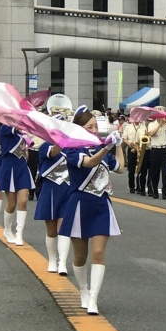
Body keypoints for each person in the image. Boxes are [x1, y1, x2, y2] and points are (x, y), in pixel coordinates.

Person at [60, 108, 124, 315]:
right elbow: (89, 162)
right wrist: (105, 148)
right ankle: (84, 291)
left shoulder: (99, 146)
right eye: (90, 127)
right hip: (79, 204)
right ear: (78, 129)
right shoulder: (72, 149)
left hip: (101, 205)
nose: (95, 130)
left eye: (96, 126)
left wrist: (118, 145)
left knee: (98, 252)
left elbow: (120, 168)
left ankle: (94, 299)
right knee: (80, 257)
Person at [34, 131, 72, 275]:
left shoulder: (71, 148)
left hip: (67, 189)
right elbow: (54, 152)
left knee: (63, 228)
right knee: (51, 230)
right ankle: (52, 259)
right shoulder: (45, 146)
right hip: (50, 190)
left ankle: (63, 263)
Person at [147, 107, 166, 199]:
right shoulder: (152, 124)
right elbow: (151, 134)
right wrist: (159, 125)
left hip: (165, 149)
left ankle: (165, 192)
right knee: (155, 172)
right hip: (155, 150)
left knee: (165, 172)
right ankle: (155, 191)